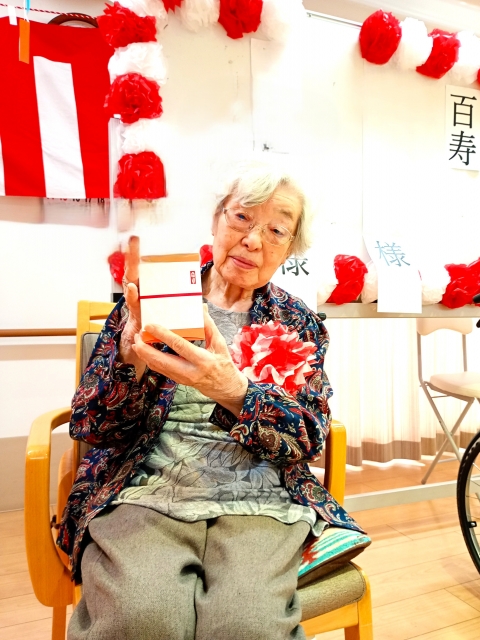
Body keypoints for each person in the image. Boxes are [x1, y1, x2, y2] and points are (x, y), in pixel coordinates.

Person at [60, 162, 361, 640]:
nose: (253, 240)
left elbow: (309, 436)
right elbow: (90, 426)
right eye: (242, 218)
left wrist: (236, 392)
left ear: (289, 248)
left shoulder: (297, 321)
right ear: (217, 220)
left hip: (260, 496)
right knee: (140, 619)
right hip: (147, 487)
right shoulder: (154, 301)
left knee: (247, 626)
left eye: (276, 230)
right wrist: (129, 357)